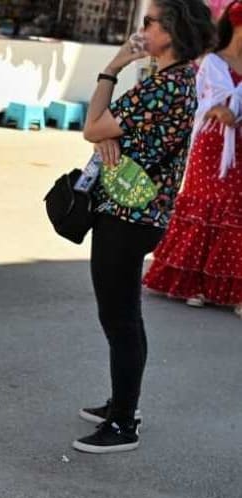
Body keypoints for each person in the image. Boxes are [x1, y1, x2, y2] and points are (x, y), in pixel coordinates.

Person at [75, 1, 213, 454]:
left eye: (150, 21)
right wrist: (111, 133)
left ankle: (123, 423)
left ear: (172, 30)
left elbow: (91, 126)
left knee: (120, 318)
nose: (142, 28)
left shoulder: (166, 86)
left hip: (129, 215)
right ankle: (121, 404)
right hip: (140, 213)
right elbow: (107, 131)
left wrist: (113, 66)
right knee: (122, 316)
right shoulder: (176, 81)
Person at [144, 0, 242, 315]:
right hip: (212, 143)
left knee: (235, 208)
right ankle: (194, 284)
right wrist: (217, 109)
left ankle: (231, 288)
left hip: (239, 144)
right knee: (206, 203)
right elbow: (199, 99)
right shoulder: (213, 61)